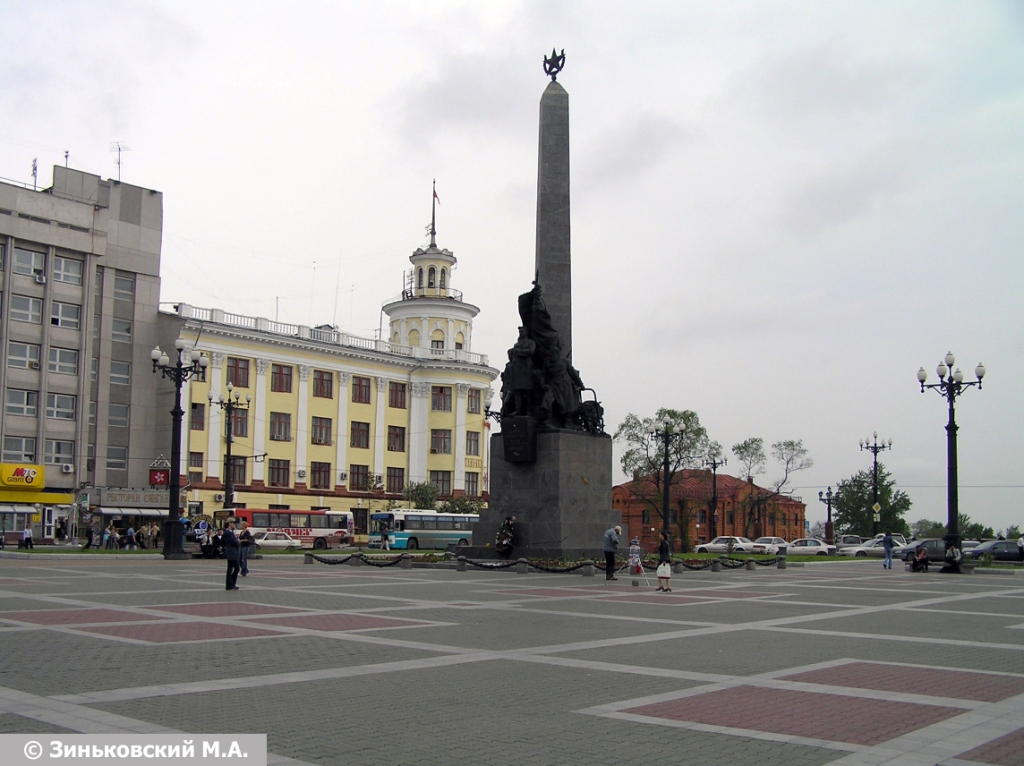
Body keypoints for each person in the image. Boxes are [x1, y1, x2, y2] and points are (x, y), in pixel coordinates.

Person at [223, 519, 241, 590]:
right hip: (231, 552)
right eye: (233, 523)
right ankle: (229, 585)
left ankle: (232, 583)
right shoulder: (227, 533)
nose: (234, 524)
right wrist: (238, 541)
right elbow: (234, 542)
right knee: (231, 569)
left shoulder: (231, 532)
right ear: (229, 523)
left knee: (236, 568)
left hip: (233, 552)